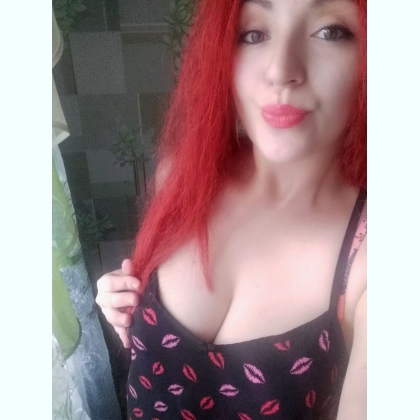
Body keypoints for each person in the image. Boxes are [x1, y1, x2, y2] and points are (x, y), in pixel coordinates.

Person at [96, 0, 367, 418]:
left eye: (330, 31)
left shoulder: (371, 256)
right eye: (253, 33)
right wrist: (126, 301)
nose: (280, 70)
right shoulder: (182, 177)